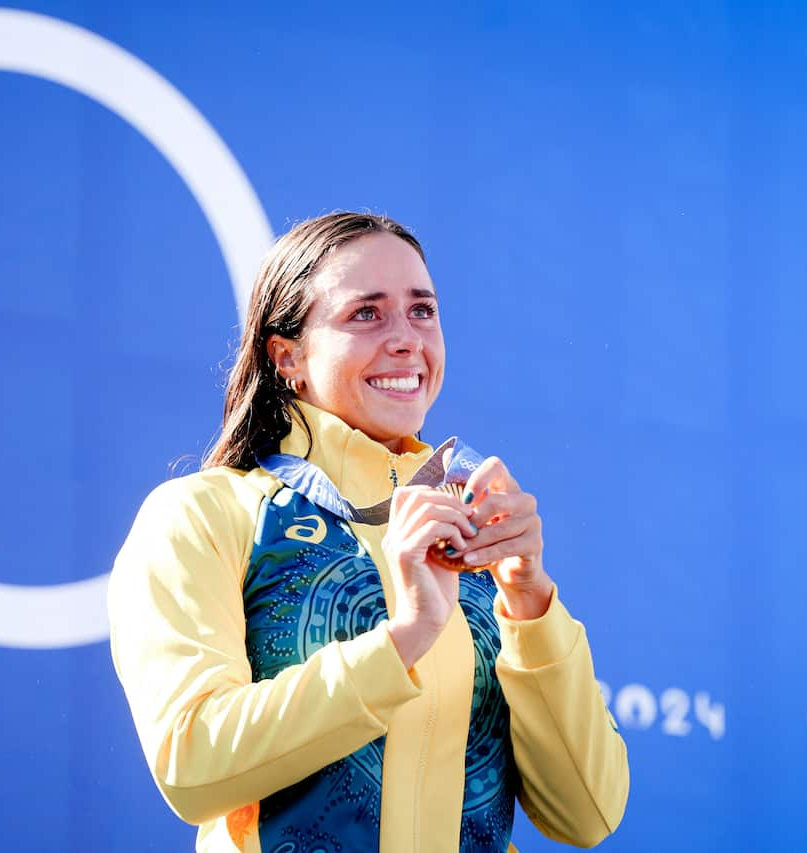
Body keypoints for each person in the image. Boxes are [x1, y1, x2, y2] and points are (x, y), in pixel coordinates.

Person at [109, 212, 629, 852]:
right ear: (288, 357)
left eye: (422, 311)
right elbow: (192, 767)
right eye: (366, 314)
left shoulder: (470, 529)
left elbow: (588, 813)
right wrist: (404, 636)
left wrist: (529, 599)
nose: (407, 339)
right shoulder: (205, 514)